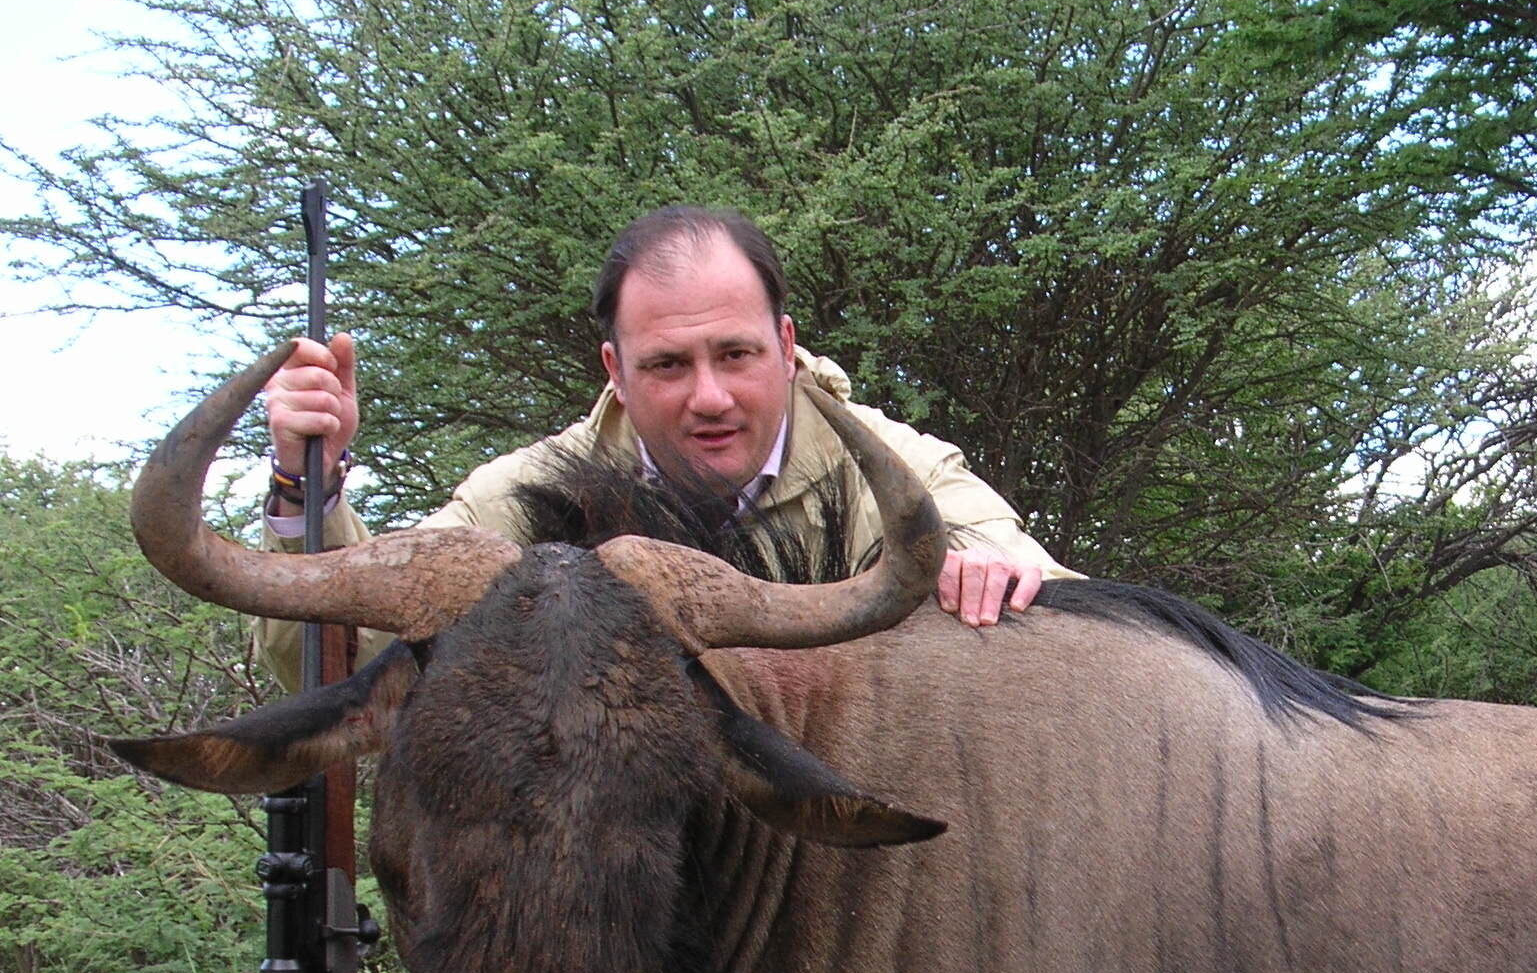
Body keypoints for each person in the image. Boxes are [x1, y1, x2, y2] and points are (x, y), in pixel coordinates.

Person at [260, 206, 1076, 682]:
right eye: (668, 365)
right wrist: (310, 488)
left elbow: (1027, 572)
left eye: (736, 354)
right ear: (615, 370)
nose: (709, 396)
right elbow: (331, 661)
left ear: (787, 347)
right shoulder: (525, 494)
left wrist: (994, 572)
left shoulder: (895, 470)